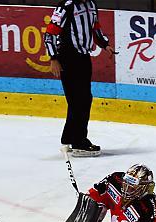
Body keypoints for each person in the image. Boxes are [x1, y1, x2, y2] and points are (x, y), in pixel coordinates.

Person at [44, 0, 115, 157]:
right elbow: (50, 33)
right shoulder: (66, 7)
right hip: (67, 58)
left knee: (82, 99)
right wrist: (53, 58)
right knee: (78, 99)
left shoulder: (91, 4)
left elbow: (94, 27)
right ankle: (78, 141)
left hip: (83, 57)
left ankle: (69, 137)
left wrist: (104, 44)